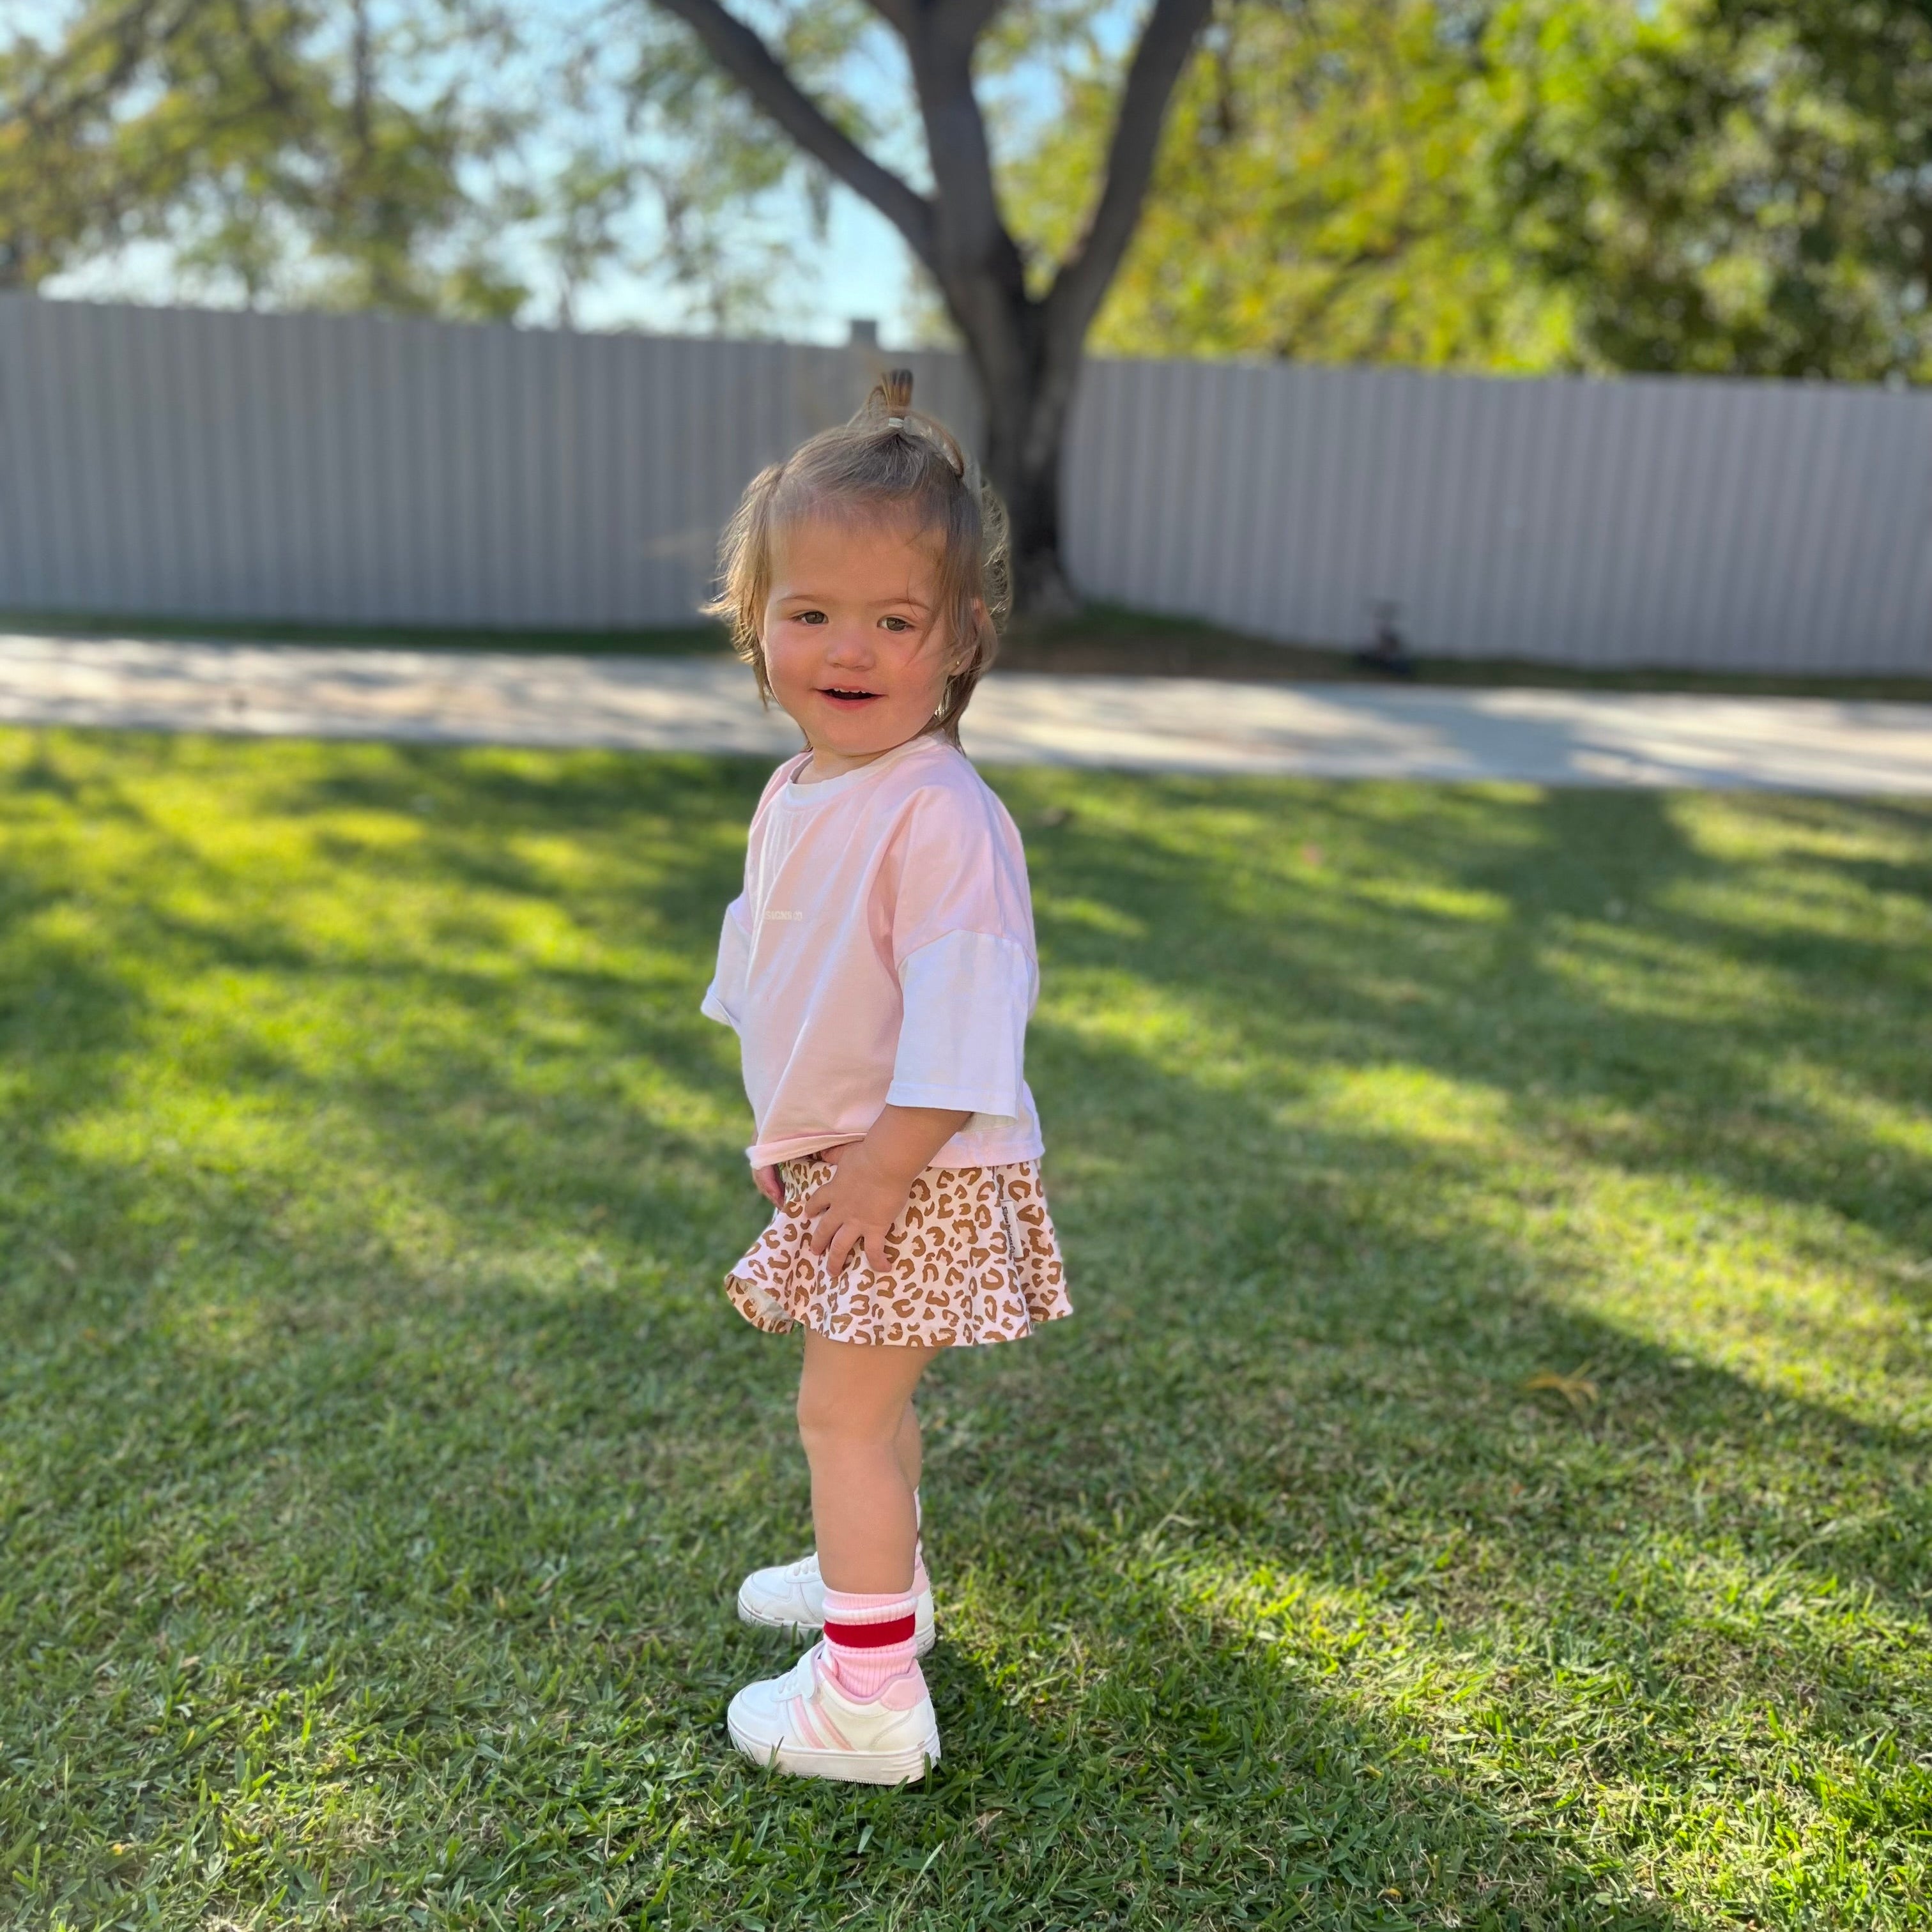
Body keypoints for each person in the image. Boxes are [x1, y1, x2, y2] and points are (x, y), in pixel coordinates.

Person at [700, 370, 1071, 1784]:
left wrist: (879, 1163)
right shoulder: (802, 789)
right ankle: (885, 1587)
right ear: (759, 622)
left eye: (893, 621)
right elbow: (779, 956)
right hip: (849, 1160)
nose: (845, 649)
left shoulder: (941, 815)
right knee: (866, 1400)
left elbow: (969, 1021)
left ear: (961, 636)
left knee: (841, 1413)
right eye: (810, 614)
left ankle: (866, 1700)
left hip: (911, 1168)